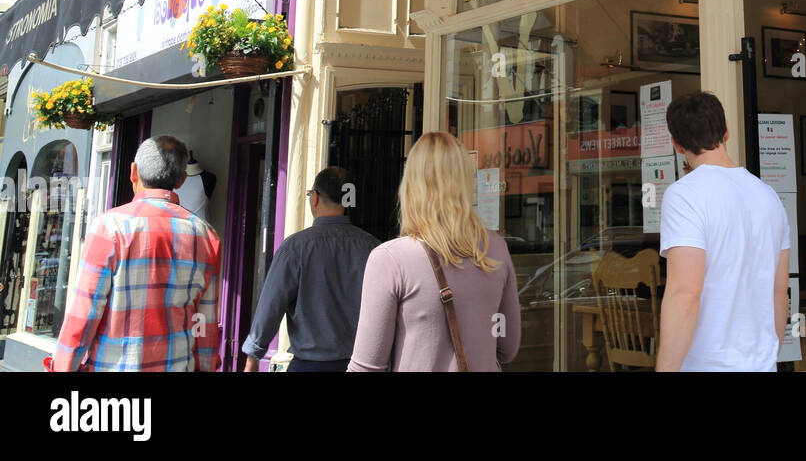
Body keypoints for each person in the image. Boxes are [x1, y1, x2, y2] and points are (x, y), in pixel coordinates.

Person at [348, 132, 521, 372]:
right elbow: (508, 348)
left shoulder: (390, 259)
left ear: (410, 185)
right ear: (465, 184)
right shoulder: (496, 248)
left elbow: (366, 366)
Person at [51, 135, 222, 372]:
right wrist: (206, 366)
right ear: (182, 179)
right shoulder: (207, 236)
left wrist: (62, 367)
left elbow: (85, 311)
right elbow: (204, 319)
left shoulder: (110, 227)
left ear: (134, 172)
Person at [656, 91, 790, 371]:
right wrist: (769, 356)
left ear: (676, 145)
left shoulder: (684, 195)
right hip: (762, 364)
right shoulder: (769, 197)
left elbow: (685, 292)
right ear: (726, 131)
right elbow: (779, 293)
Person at [241, 166, 379, 372]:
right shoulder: (373, 248)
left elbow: (270, 306)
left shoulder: (295, 247)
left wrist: (252, 359)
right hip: (360, 365)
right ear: (348, 200)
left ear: (315, 197)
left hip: (308, 365)